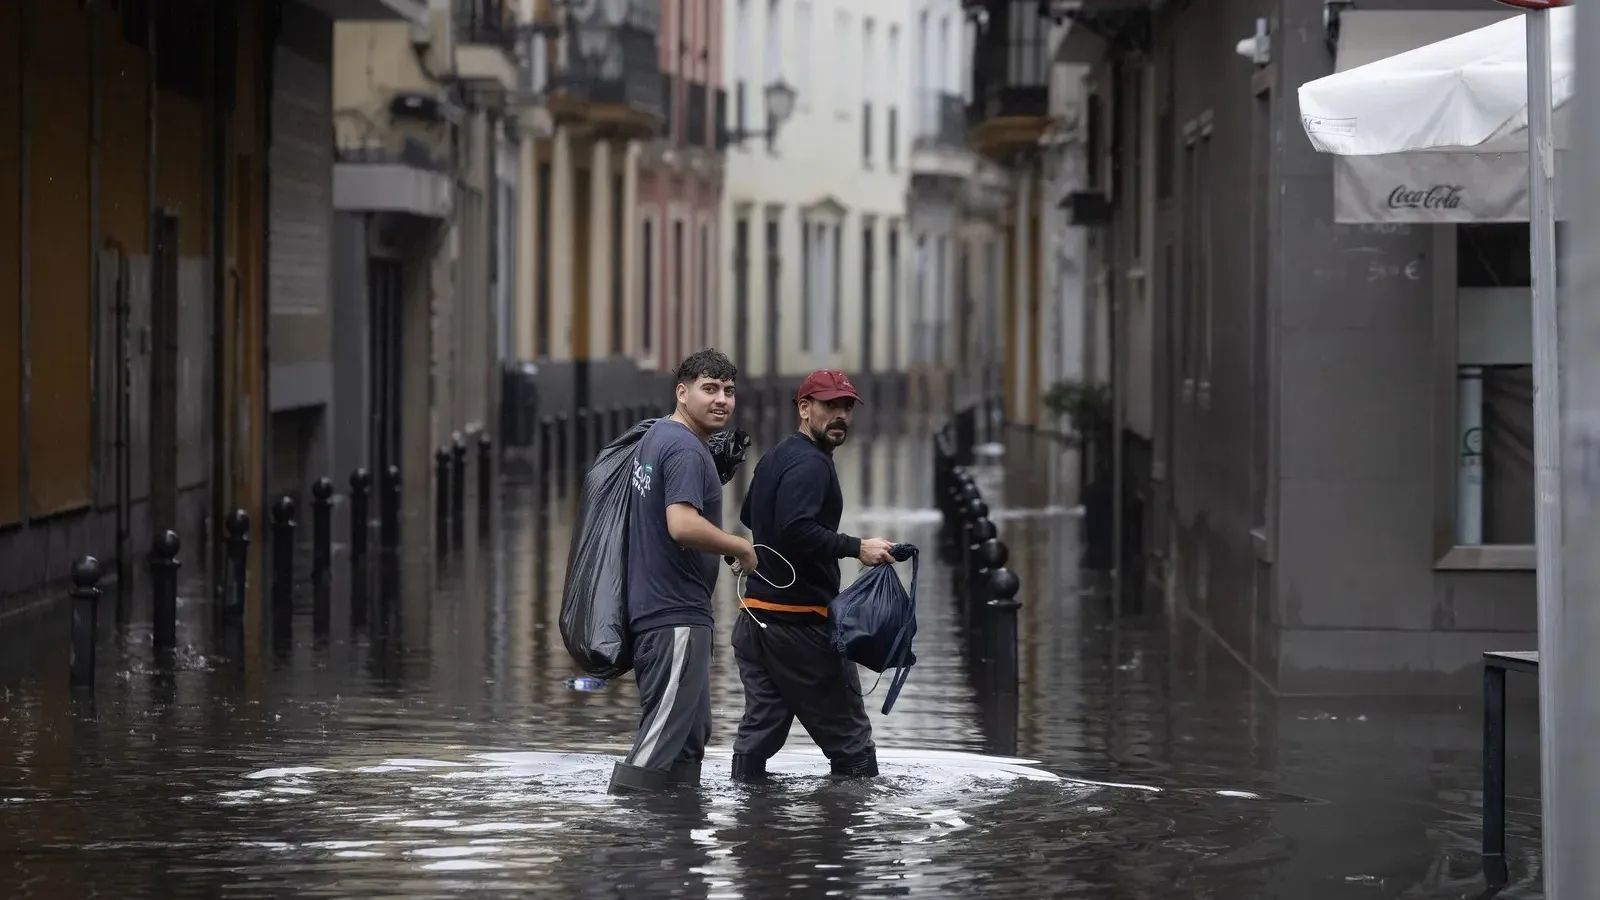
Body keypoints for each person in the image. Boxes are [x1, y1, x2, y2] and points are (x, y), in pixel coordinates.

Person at [730, 369, 897, 782]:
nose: (840, 415)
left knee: (760, 731)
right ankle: (849, 833)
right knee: (851, 742)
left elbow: (749, 515)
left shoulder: (777, 456)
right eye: (829, 405)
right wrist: (856, 547)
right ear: (804, 409)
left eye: (846, 407)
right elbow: (795, 529)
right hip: (799, 626)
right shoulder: (811, 465)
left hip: (756, 620)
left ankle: (751, 828)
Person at [609, 349, 760, 795]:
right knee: (659, 742)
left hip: (669, 613)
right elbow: (681, 524)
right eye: (709, 389)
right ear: (683, 391)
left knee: (689, 739)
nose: (722, 401)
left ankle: (678, 848)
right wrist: (739, 546)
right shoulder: (684, 449)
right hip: (672, 615)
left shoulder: (657, 436)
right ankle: (615, 841)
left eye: (729, 391)